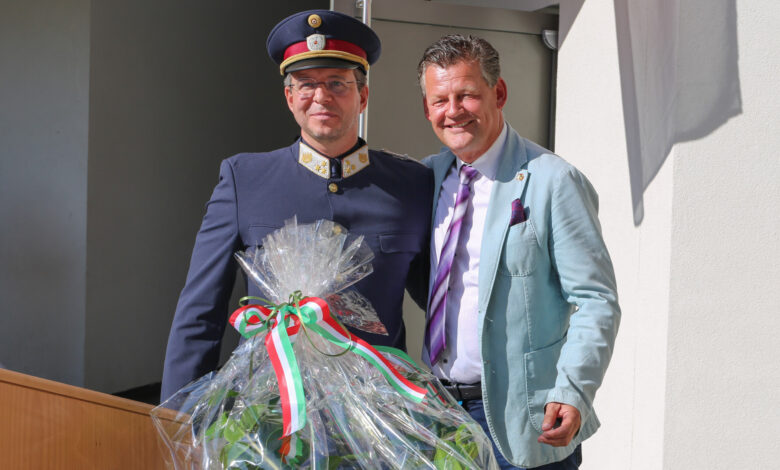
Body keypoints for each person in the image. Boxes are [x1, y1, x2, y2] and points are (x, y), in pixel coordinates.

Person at [161, 10, 432, 402]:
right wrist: (178, 421)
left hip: (380, 415)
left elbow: (446, 305)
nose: (321, 97)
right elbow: (200, 313)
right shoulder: (244, 179)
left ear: (363, 95)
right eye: (306, 85)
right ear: (290, 98)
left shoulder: (411, 184)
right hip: (269, 416)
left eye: (338, 83)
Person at [418, 34, 621, 469]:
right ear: (427, 109)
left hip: (525, 421)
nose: (453, 111)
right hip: (439, 417)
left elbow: (595, 300)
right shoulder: (426, 179)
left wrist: (573, 389)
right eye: (440, 100)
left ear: (499, 92)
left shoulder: (553, 181)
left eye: (467, 95)